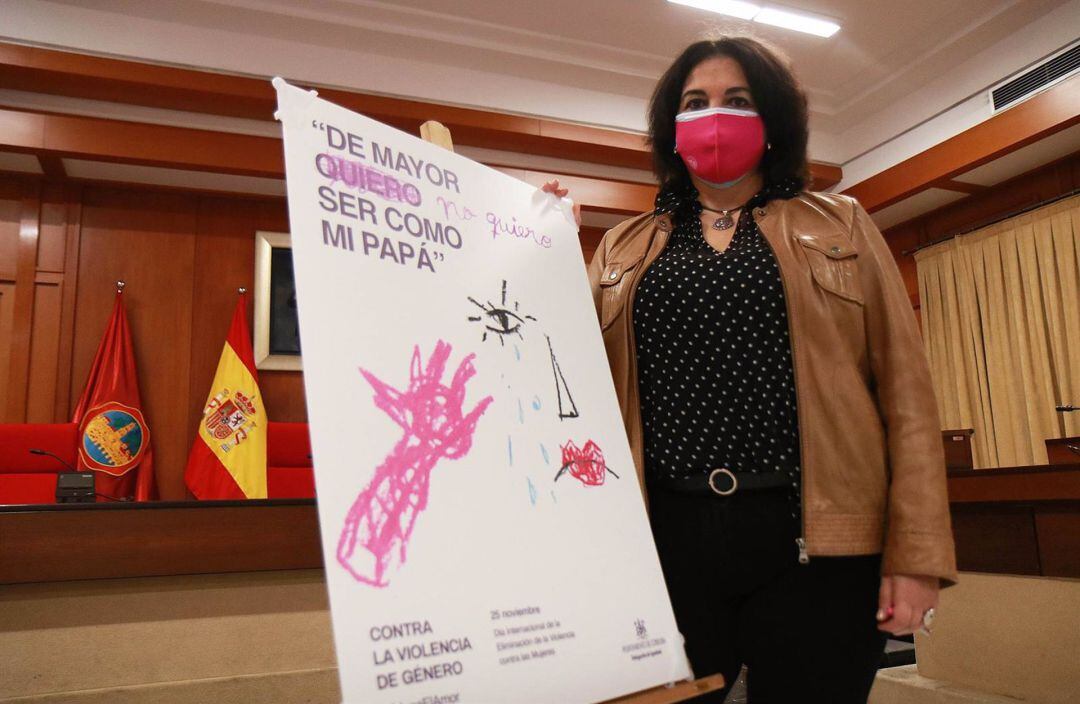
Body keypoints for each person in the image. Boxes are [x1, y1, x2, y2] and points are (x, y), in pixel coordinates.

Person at [544, 36, 956, 703]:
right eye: (695, 103)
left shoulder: (843, 225)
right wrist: (539, 251)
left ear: (773, 120)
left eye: (738, 100)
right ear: (670, 130)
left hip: (819, 546)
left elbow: (908, 398)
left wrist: (917, 556)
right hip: (660, 544)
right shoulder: (621, 247)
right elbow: (562, 377)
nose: (714, 116)